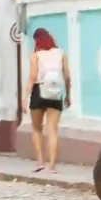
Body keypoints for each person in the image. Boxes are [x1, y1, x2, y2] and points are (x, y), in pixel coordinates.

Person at [27, 29, 69, 171]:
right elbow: (67, 77)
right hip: (56, 93)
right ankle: (52, 165)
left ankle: (40, 162)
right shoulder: (61, 54)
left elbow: (33, 77)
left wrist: (24, 97)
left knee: (37, 129)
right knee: (52, 129)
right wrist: (68, 95)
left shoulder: (36, 56)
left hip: (39, 91)